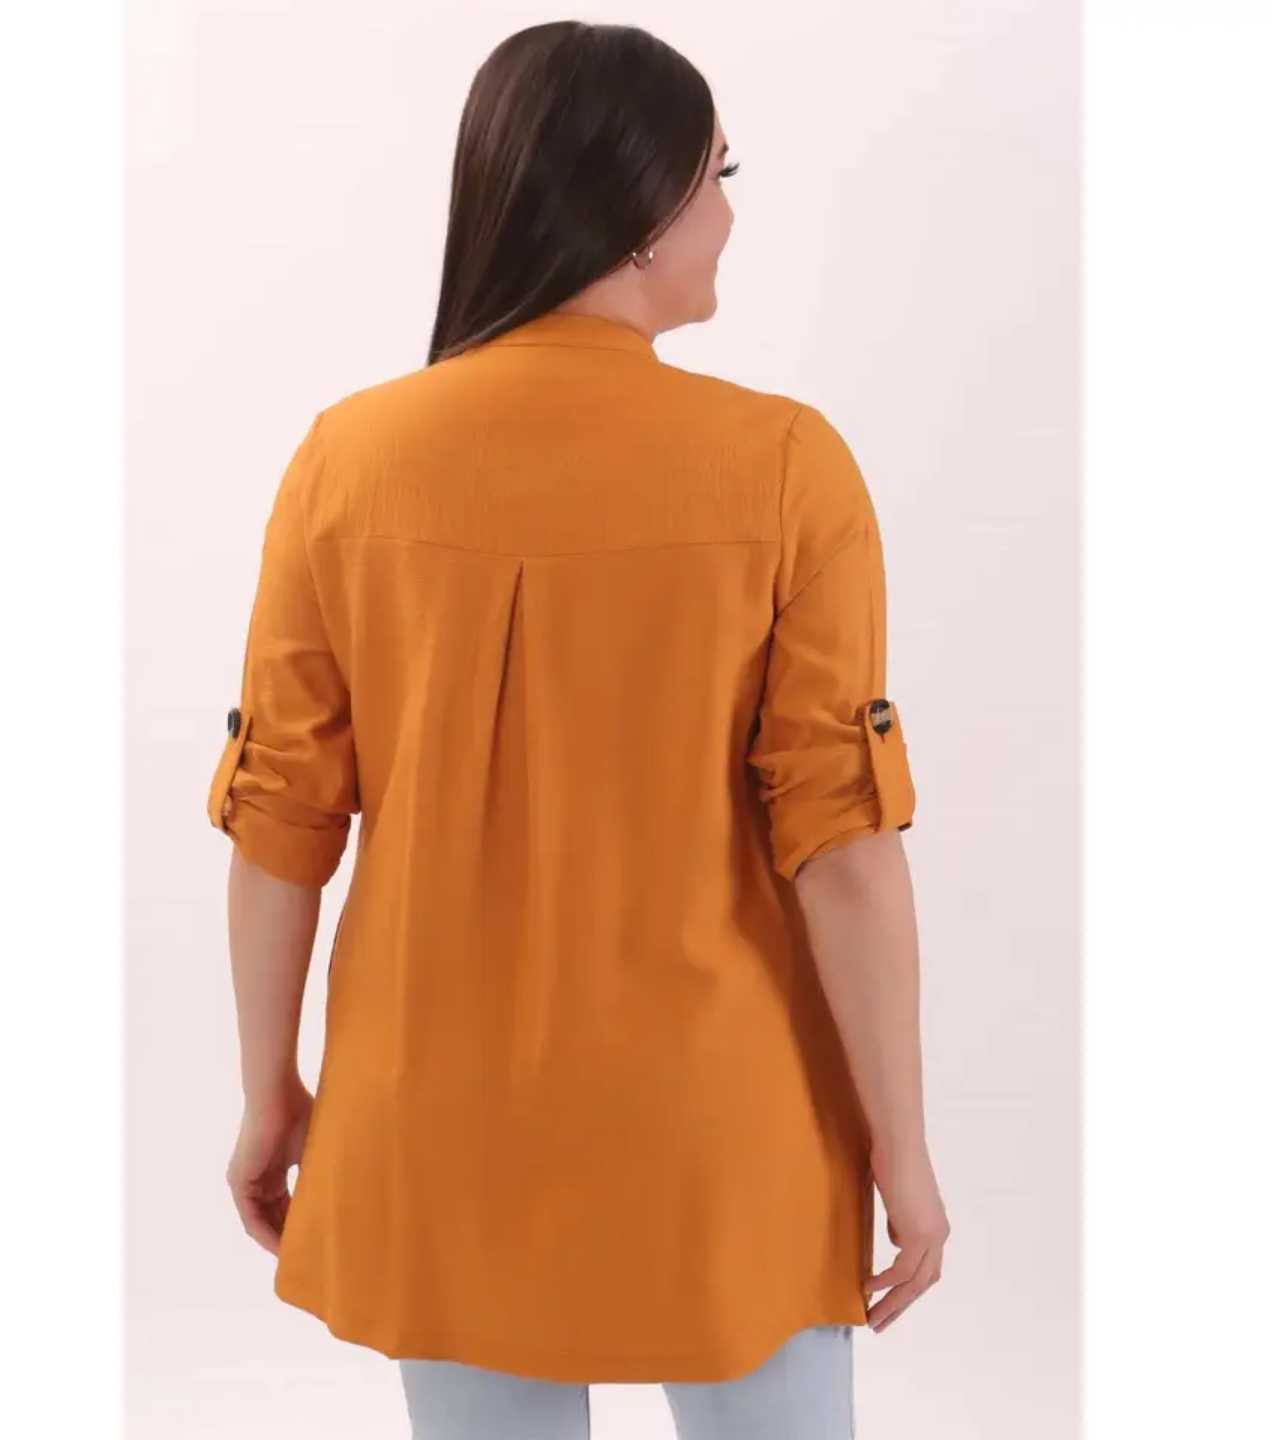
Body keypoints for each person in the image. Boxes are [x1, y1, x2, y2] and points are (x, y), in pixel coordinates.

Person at [209, 18, 950, 1440]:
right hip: (723, 1125)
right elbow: (845, 850)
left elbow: (280, 822)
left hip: (434, 1119)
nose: (728, 211)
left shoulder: (346, 460)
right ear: (644, 201)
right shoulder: (785, 465)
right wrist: (901, 1149)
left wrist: (270, 1093)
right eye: (721, 172)